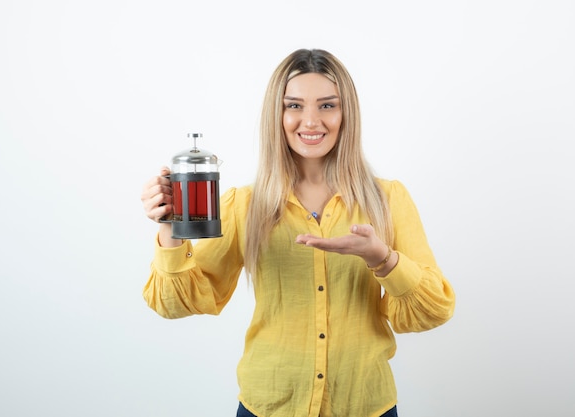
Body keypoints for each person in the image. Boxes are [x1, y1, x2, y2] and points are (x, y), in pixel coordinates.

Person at [140, 48, 455, 417]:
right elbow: (180, 303)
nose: (310, 121)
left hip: (364, 405)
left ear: (346, 113)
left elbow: (434, 309)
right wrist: (169, 226)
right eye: (294, 106)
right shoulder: (244, 206)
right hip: (269, 405)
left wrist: (383, 260)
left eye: (327, 106)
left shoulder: (387, 199)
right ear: (277, 114)